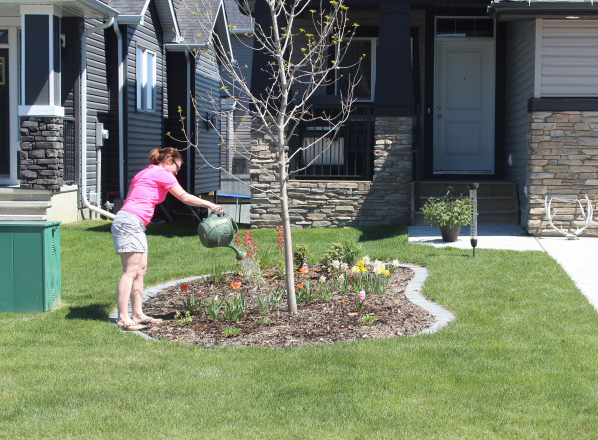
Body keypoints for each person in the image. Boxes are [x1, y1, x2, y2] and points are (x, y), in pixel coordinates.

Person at [111, 147, 223, 330]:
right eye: (177, 167)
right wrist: (211, 204)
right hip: (130, 222)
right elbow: (184, 197)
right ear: (170, 160)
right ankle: (123, 318)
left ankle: (138, 314)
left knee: (141, 270)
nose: (177, 172)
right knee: (130, 272)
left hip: (132, 222)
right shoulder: (162, 173)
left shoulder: (145, 173)